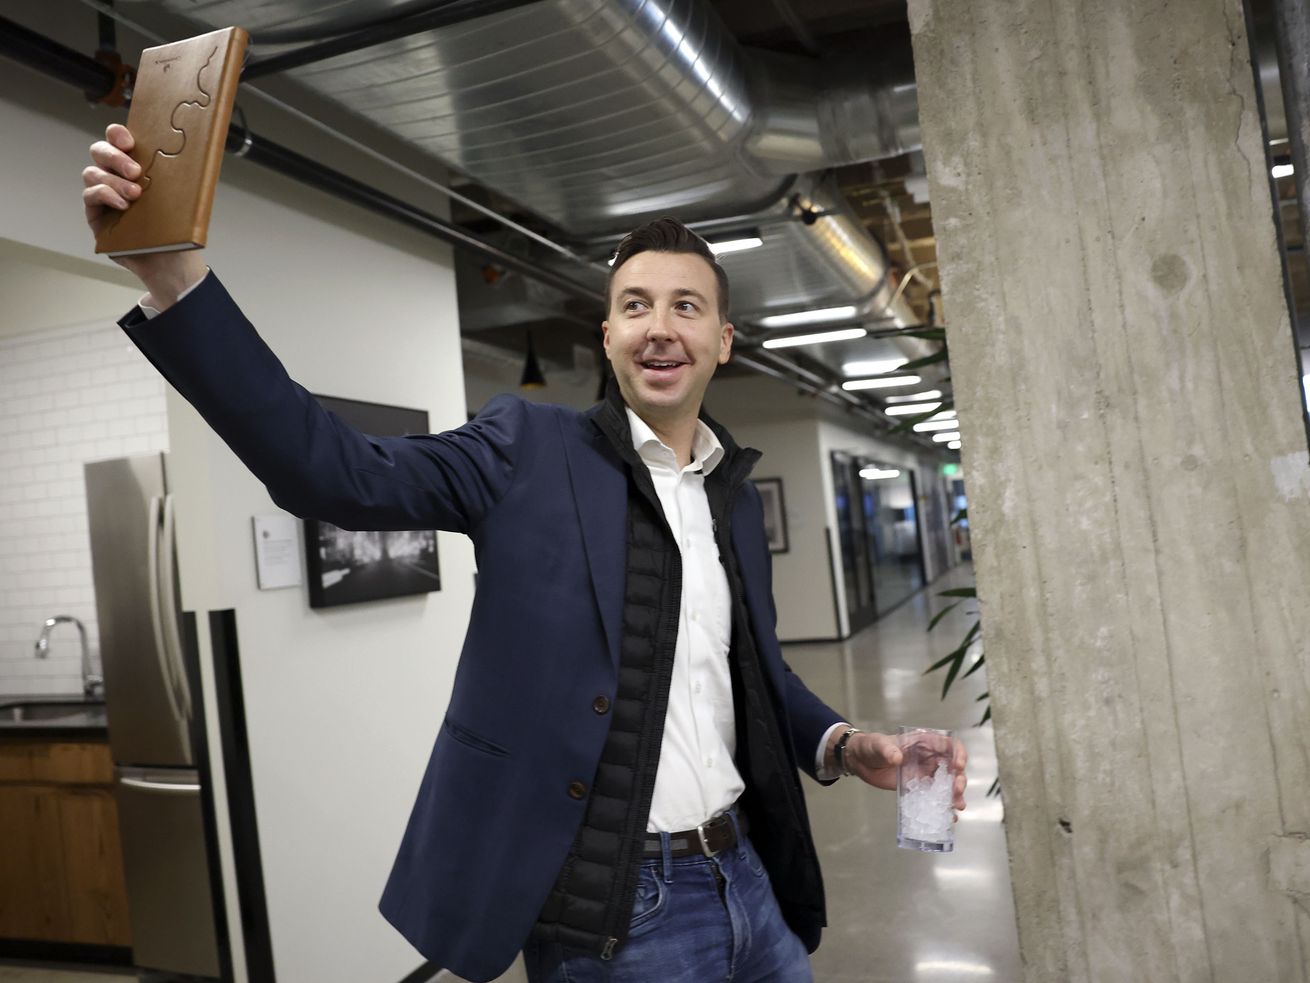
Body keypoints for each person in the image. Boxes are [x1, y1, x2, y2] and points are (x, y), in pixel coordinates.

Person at [82, 123, 968, 983]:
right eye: (635, 306)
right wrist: (175, 281)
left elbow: (751, 675)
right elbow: (332, 470)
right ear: (609, 335)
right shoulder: (524, 451)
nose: (660, 327)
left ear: (723, 342)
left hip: (748, 877)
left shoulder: (726, 498)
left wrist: (851, 746)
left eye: (686, 306)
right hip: (620, 915)